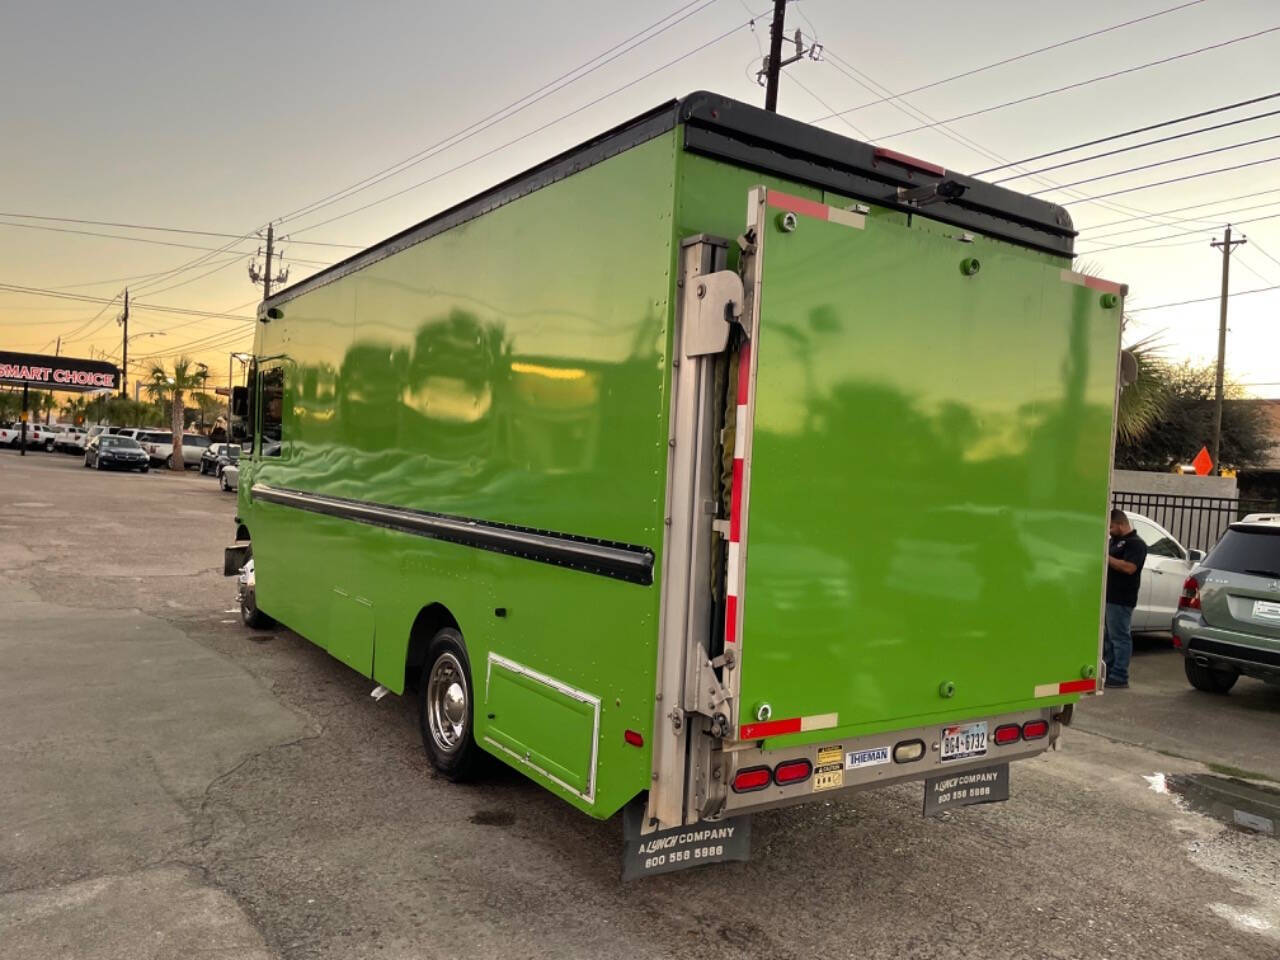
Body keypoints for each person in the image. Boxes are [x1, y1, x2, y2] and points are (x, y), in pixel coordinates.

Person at [1104, 508, 1147, 689]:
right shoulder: (1115, 541)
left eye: (1112, 527)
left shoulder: (1136, 544)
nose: (1109, 530)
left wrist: (1107, 558)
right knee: (1107, 636)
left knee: (1120, 637)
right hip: (1109, 596)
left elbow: (1129, 568)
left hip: (1122, 598)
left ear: (1121, 524)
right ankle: (1109, 670)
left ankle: (1120, 675)